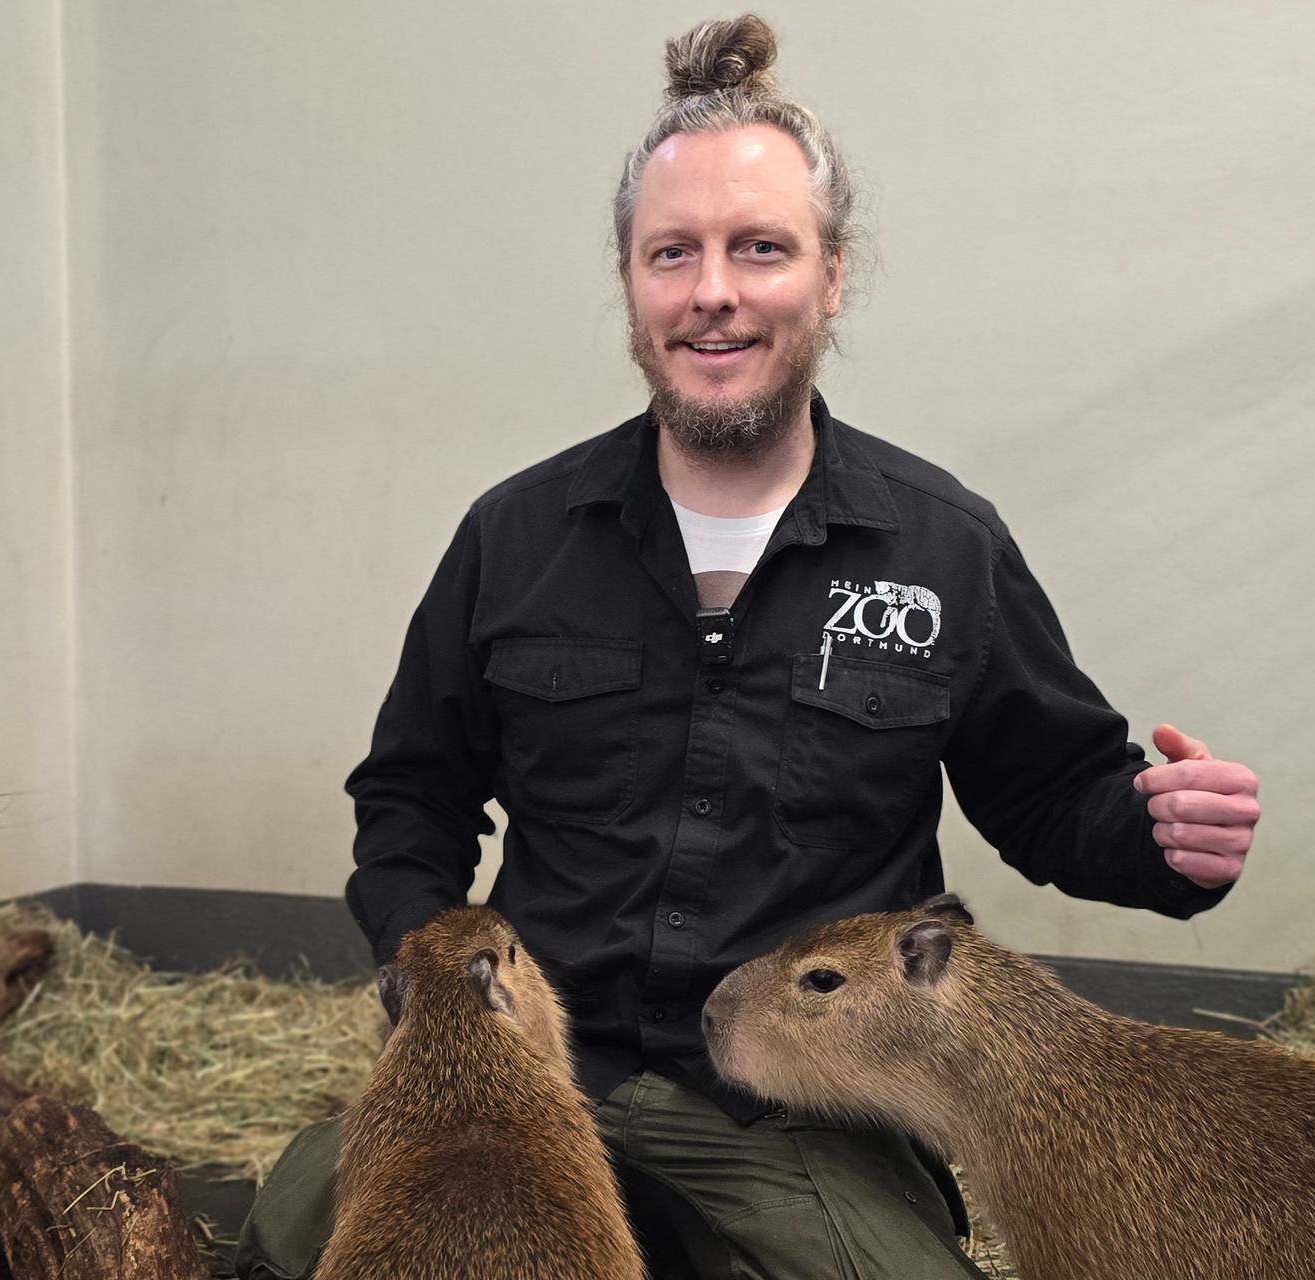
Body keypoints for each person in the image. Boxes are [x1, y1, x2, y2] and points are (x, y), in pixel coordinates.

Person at [235, 14, 1261, 1279]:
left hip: (792, 1110)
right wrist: (431, 983)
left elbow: (1053, 794)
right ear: (632, 282)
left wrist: (1164, 838)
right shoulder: (514, 536)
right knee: (278, 1243)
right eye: (675, 253)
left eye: (759, 248)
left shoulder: (942, 546)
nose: (713, 290)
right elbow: (410, 794)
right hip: (543, 1076)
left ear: (831, 276)